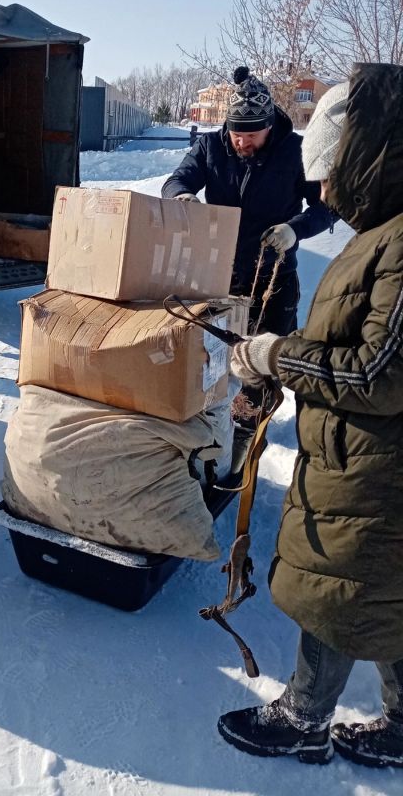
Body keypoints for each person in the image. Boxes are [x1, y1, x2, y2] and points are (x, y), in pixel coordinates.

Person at [217, 63, 403, 769]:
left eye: (329, 179)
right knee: (383, 589)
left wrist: (275, 358)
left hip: (377, 466)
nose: (323, 195)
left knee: (343, 583)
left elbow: (375, 373)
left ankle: (304, 717)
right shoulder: (384, 231)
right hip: (362, 453)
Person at [162, 66, 332, 470]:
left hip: (272, 279)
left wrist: (295, 229)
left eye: (251, 136)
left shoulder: (295, 152)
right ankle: (211, 433)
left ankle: (244, 445)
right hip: (220, 275)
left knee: (261, 366)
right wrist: (183, 196)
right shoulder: (211, 147)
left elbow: (328, 209)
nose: (242, 142)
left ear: (269, 128)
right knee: (214, 358)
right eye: (237, 134)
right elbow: (176, 180)